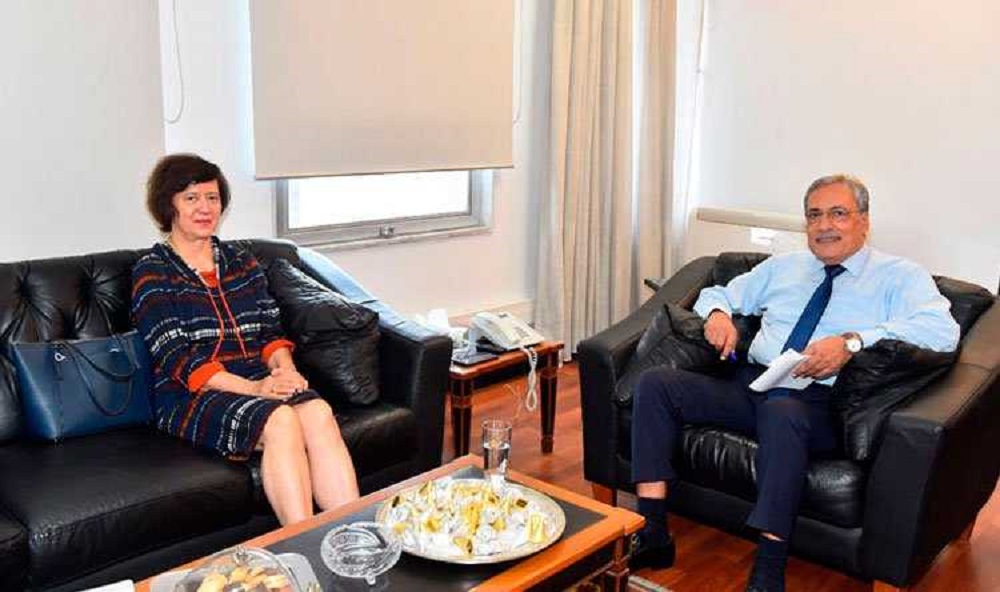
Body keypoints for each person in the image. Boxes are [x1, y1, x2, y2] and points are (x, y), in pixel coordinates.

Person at [629, 174, 960, 592]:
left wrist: (853, 342)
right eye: (814, 215)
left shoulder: (899, 277)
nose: (825, 225)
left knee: (782, 412)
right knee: (656, 384)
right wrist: (717, 316)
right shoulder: (783, 267)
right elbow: (719, 293)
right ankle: (654, 532)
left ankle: (768, 572)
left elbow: (942, 332)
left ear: (864, 221)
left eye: (838, 214)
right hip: (755, 384)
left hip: (821, 403)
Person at [131, 153, 359, 526]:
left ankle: (351, 536)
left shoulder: (241, 261)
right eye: (191, 198)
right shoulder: (152, 271)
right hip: (188, 393)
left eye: (212, 197)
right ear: (168, 205)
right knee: (280, 420)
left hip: (256, 376)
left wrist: (285, 371)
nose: (205, 208)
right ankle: (299, 541)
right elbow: (177, 358)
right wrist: (255, 389)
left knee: (318, 412)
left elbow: (270, 331)